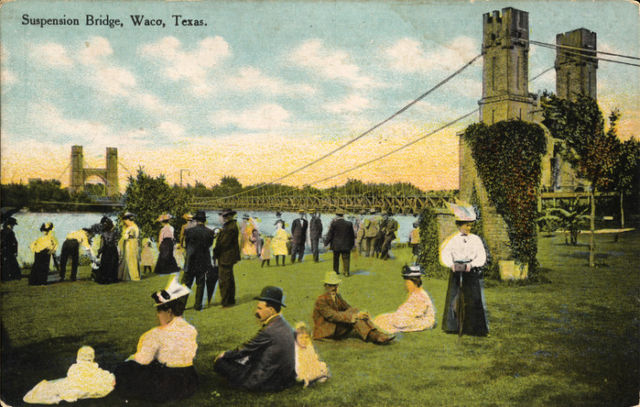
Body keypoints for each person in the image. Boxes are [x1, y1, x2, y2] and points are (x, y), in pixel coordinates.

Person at [115, 277, 198, 402]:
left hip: (168, 383)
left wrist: (129, 360)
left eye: (159, 312)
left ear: (169, 312)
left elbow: (143, 360)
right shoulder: (191, 329)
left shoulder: (155, 334)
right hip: (189, 380)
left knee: (125, 369)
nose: (157, 315)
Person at [214, 286, 297, 392]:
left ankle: (236, 383)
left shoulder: (269, 330)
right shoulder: (284, 324)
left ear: (271, 310)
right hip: (285, 379)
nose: (256, 311)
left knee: (221, 362)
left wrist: (224, 355)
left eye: (259, 308)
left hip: (266, 381)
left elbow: (244, 349)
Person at [440, 203, 489, 336]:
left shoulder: (476, 239)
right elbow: (444, 255)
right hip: (456, 270)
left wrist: (471, 265)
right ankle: (453, 326)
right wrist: (452, 265)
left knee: (473, 299)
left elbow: (482, 257)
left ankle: (474, 328)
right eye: (466, 225)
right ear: (459, 225)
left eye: (470, 225)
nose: (468, 228)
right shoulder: (453, 240)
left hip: (470, 271)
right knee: (454, 298)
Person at [312, 272, 394, 344]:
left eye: (335, 285)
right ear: (325, 286)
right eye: (331, 285)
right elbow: (333, 316)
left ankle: (376, 333)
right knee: (355, 317)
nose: (333, 288)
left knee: (355, 312)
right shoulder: (321, 300)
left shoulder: (337, 296)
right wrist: (355, 316)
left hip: (336, 326)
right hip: (327, 330)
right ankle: (375, 336)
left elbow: (348, 308)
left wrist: (361, 313)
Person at [23, 346, 115, 404]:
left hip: (77, 385)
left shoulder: (75, 368)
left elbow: (71, 377)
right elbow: (108, 378)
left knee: (57, 387)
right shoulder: (97, 371)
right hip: (89, 385)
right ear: (93, 357)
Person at [373, 265, 436, 333]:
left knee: (396, 322)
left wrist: (400, 315)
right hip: (411, 317)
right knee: (380, 318)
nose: (406, 285)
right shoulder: (414, 293)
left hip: (422, 321)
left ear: (414, 282)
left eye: (408, 282)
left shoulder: (421, 295)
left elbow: (416, 313)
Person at [181, 211, 216, 311]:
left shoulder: (189, 231)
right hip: (203, 261)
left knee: (186, 283)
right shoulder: (210, 232)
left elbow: (187, 246)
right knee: (200, 284)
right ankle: (198, 305)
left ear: (196, 220)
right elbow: (209, 245)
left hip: (191, 260)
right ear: (204, 220)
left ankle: (182, 305)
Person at [213, 209, 241, 308]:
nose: (223, 218)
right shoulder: (231, 226)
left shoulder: (229, 228)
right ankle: (230, 300)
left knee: (224, 280)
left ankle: (225, 302)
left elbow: (223, 243)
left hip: (225, 256)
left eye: (224, 216)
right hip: (229, 256)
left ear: (229, 216)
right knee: (229, 279)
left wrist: (215, 252)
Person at [294, 321, 329, 388]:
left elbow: (313, 359)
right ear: (296, 338)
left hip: (309, 366)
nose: (304, 340)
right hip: (299, 368)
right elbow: (297, 363)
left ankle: (315, 377)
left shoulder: (309, 346)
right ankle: (306, 379)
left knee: (322, 366)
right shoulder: (296, 348)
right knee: (299, 375)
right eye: (301, 338)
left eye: (306, 337)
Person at [324, 210, 355, 276]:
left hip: (336, 245)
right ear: (343, 215)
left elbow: (330, 235)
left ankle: (336, 271)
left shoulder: (334, 224)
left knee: (336, 259)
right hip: (346, 245)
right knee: (346, 258)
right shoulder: (349, 224)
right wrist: (352, 245)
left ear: (336, 215)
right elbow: (352, 236)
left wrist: (326, 243)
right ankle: (346, 272)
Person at [94, 216, 119, 284]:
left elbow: (102, 245)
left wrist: (99, 253)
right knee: (113, 265)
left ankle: (105, 279)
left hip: (106, 251)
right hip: (113, 250)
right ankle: (112, 279)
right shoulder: (114, 232)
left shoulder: (103, 234)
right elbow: (116, 242)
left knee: (105, 265)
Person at [118, 212, 140, 281]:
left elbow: (127, 236)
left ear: (128, 220)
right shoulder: (131, 227)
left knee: (131, 259)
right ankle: (126, 276)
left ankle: (134, 277)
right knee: (127, 258)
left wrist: (126, 236)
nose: (125, 222)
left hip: (131, 244)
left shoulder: (132, 227)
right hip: (130, 243)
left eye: (125, 221)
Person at [1, 216, 21, 281]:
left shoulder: (9, 232)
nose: (13, 226)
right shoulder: (6, 232)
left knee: (10, 264)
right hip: (6, 251)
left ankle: (11, 276)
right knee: (7, 264)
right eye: (12, 225)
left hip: (8, 251)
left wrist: (15, 251)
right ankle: (8, 277)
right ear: (8, 224)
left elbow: (15, 242)